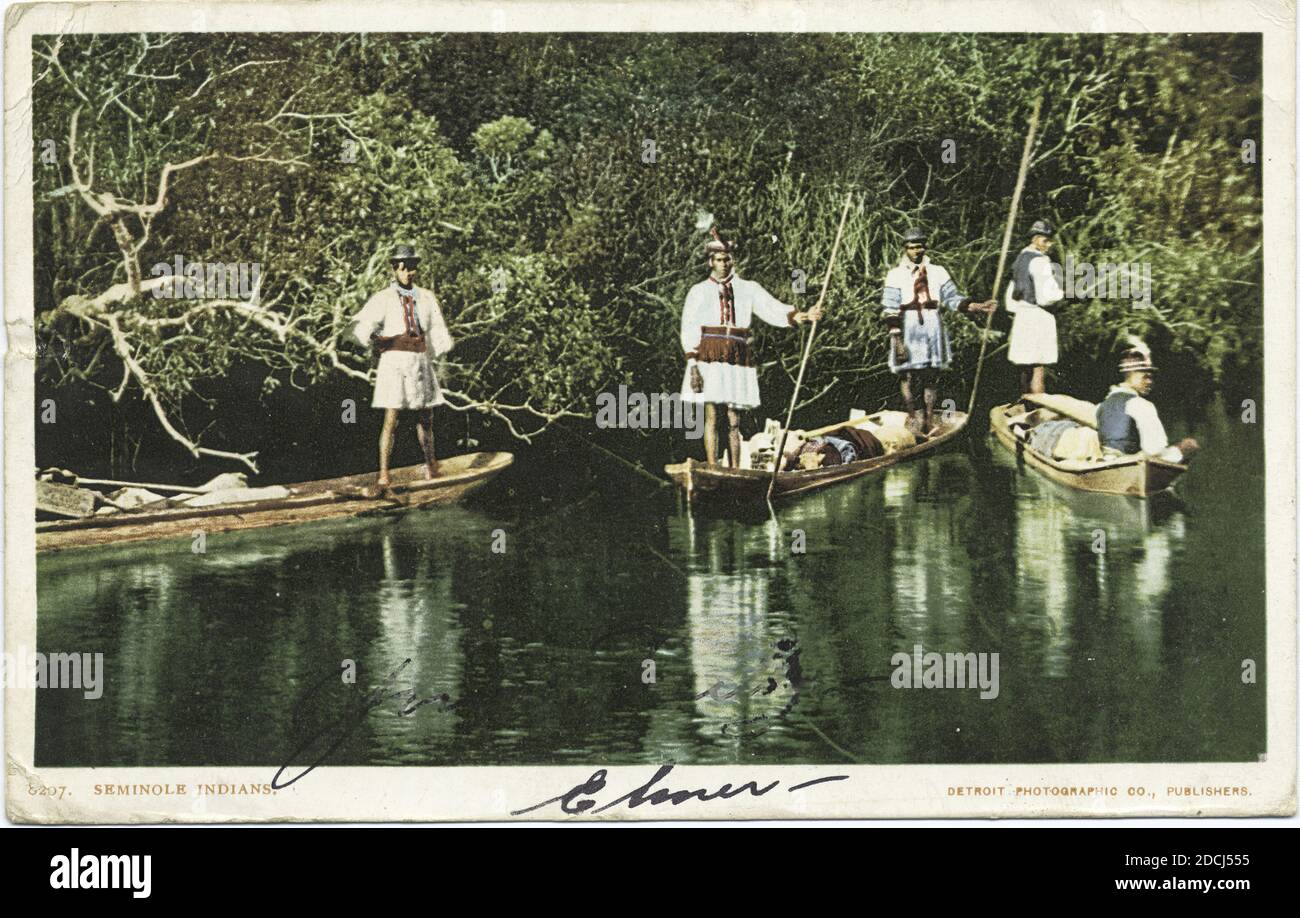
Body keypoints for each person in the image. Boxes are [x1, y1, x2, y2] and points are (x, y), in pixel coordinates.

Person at [681, 228, 821, 467]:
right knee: (712, 415)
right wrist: (693, 364)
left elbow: (772, 308)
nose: (723, 264)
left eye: (727, 259)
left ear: (732, 260)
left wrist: (803, 316)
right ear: (710, 262)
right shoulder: (699, 291)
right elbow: (689, 326)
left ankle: (735, 468)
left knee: (734, 418)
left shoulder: (748, 288)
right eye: (718, 260)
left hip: (737, 354)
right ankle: (714, 466)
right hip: (709, 353)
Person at [352, 244, 455, 489]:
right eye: (402, 268)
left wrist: (440, 354)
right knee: (391, 418)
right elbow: (362, 326)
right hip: (394, 363)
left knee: (426, 417)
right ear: (395, 270)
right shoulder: (384, 298)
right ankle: (384, 474)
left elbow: (438, 329)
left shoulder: (426, 297)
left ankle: (431, 466)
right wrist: (376, 342)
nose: (408, 272)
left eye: (411, 268)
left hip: (419, 360)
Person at [881, 227, 996, 434]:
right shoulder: (895, 275)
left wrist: (975, 306)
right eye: (911, 247)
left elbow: (952, 298)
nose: (916, 251)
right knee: (906, 375)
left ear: (925, 247)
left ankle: (928, 418)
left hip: (932, 324)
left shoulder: (938, 272)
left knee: (930, 375)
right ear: (905, 249)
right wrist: (897, 339)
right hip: (908, 325)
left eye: (919, 247)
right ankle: (912, 416)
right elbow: (890, 307)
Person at [1096, 338, 1200, 462]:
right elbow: (1154, 450)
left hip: (1109, 461)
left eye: (1151, 377)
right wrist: (1180, 450)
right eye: (1145, 376)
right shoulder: (1142, 405)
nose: (1150, 382)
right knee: (1188, 446)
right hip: (1132, 464)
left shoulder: (1102, 406)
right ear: (1130, 374)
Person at [1006, 218, 1066, 395]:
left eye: (1050, 240)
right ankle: (1037, 411)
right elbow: (1046, 297)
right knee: (1038, 366)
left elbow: (1010, 296)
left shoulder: (1020, 259)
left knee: (1024, 365)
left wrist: (1019, 309)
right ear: (1034, 239)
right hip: (1038, 316)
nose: (1049, 244)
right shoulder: (1041, 262)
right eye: (1045, 240)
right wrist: (1061, 294)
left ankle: (1025, 407)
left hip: (1022, 315)